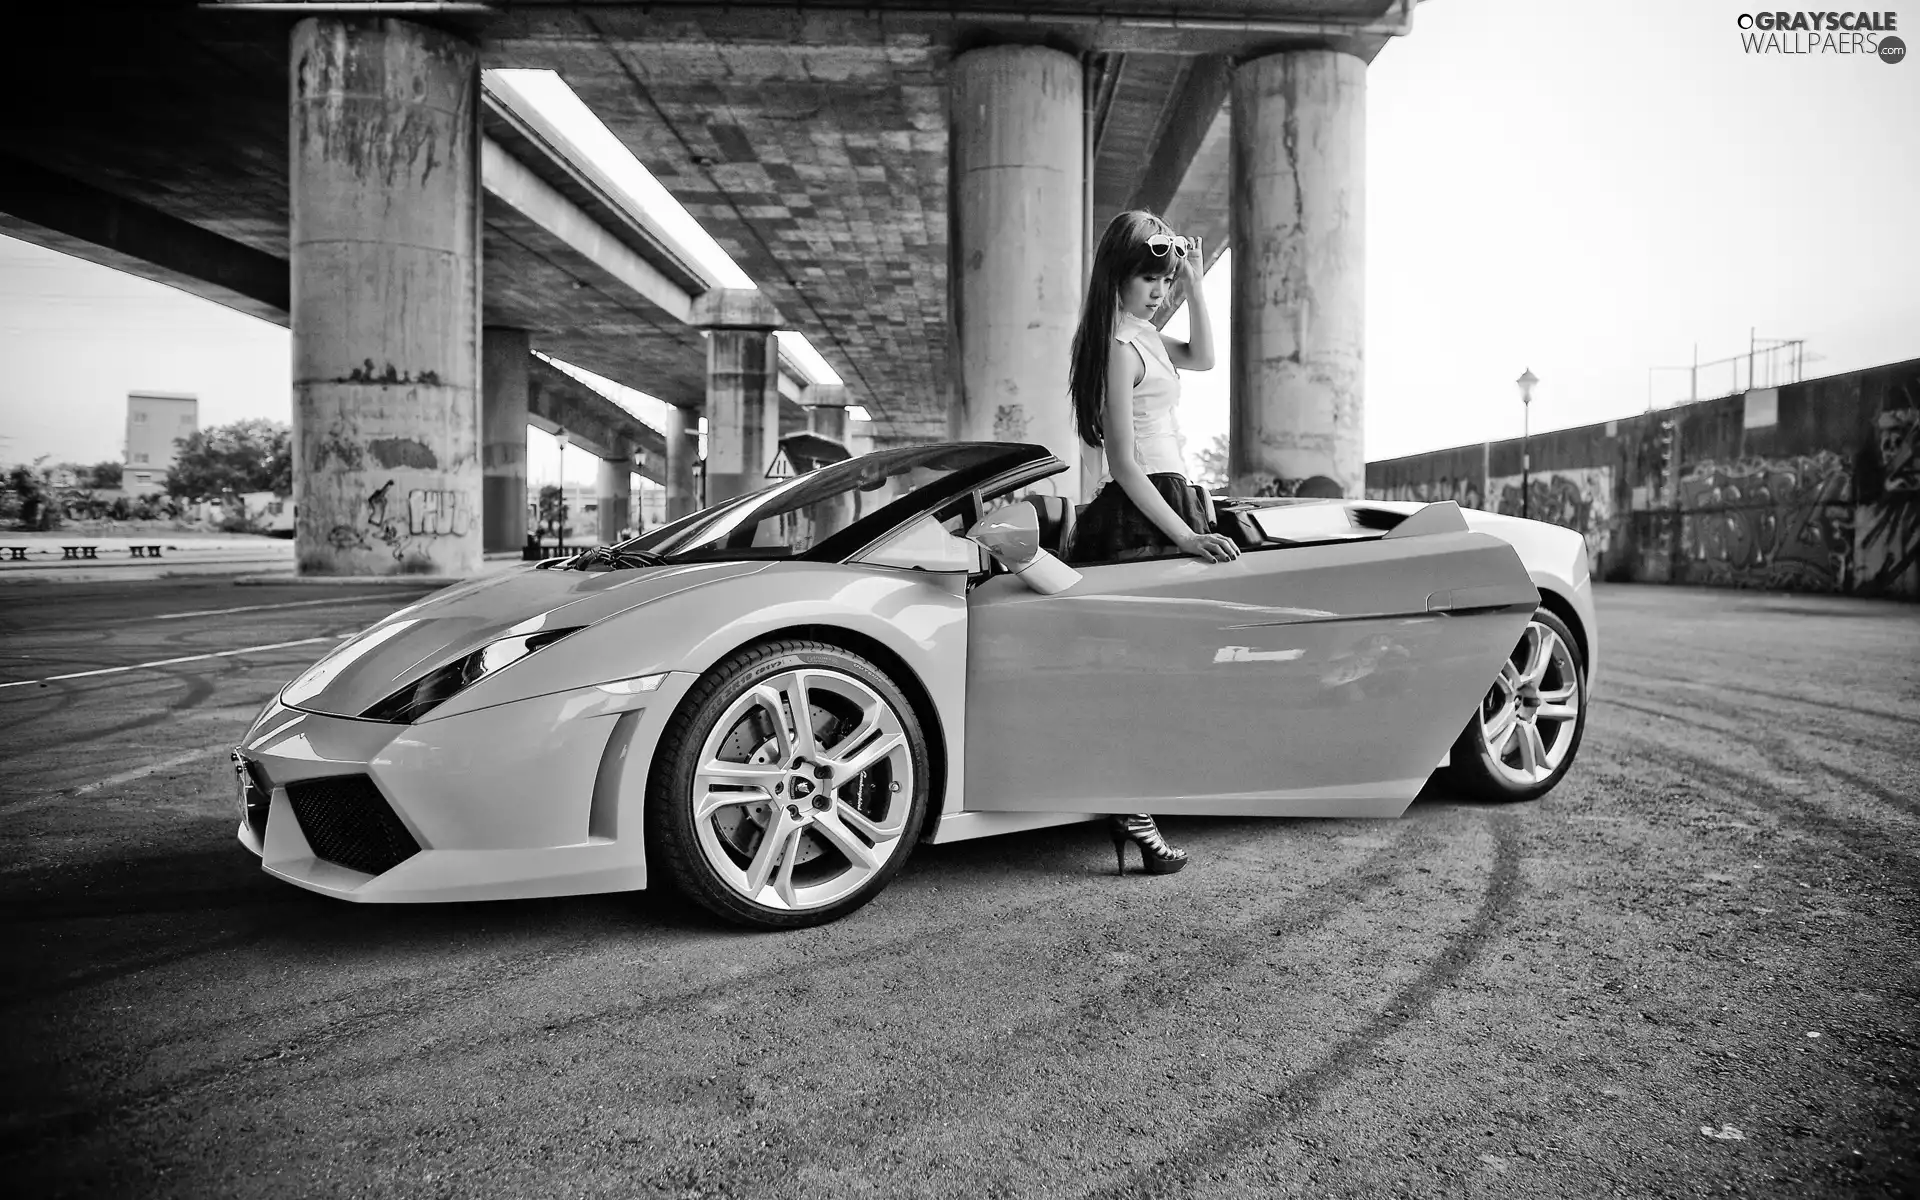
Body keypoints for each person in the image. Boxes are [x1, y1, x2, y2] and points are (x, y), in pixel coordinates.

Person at [1065, 209, 1242, 878]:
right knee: (1145, 674)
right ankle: (1134, 810)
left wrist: (1193, 279)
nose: (1159, 292)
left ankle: (1139, 802)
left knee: (1166, 671)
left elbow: (1206, 357)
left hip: (1173, 503)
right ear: (1118, 274)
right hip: (1147, 516)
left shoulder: (1148, 336)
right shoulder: (1115, 343)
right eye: (1151, 279)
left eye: (1164, 281)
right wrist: (1187, 537)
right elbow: (1124, 464)